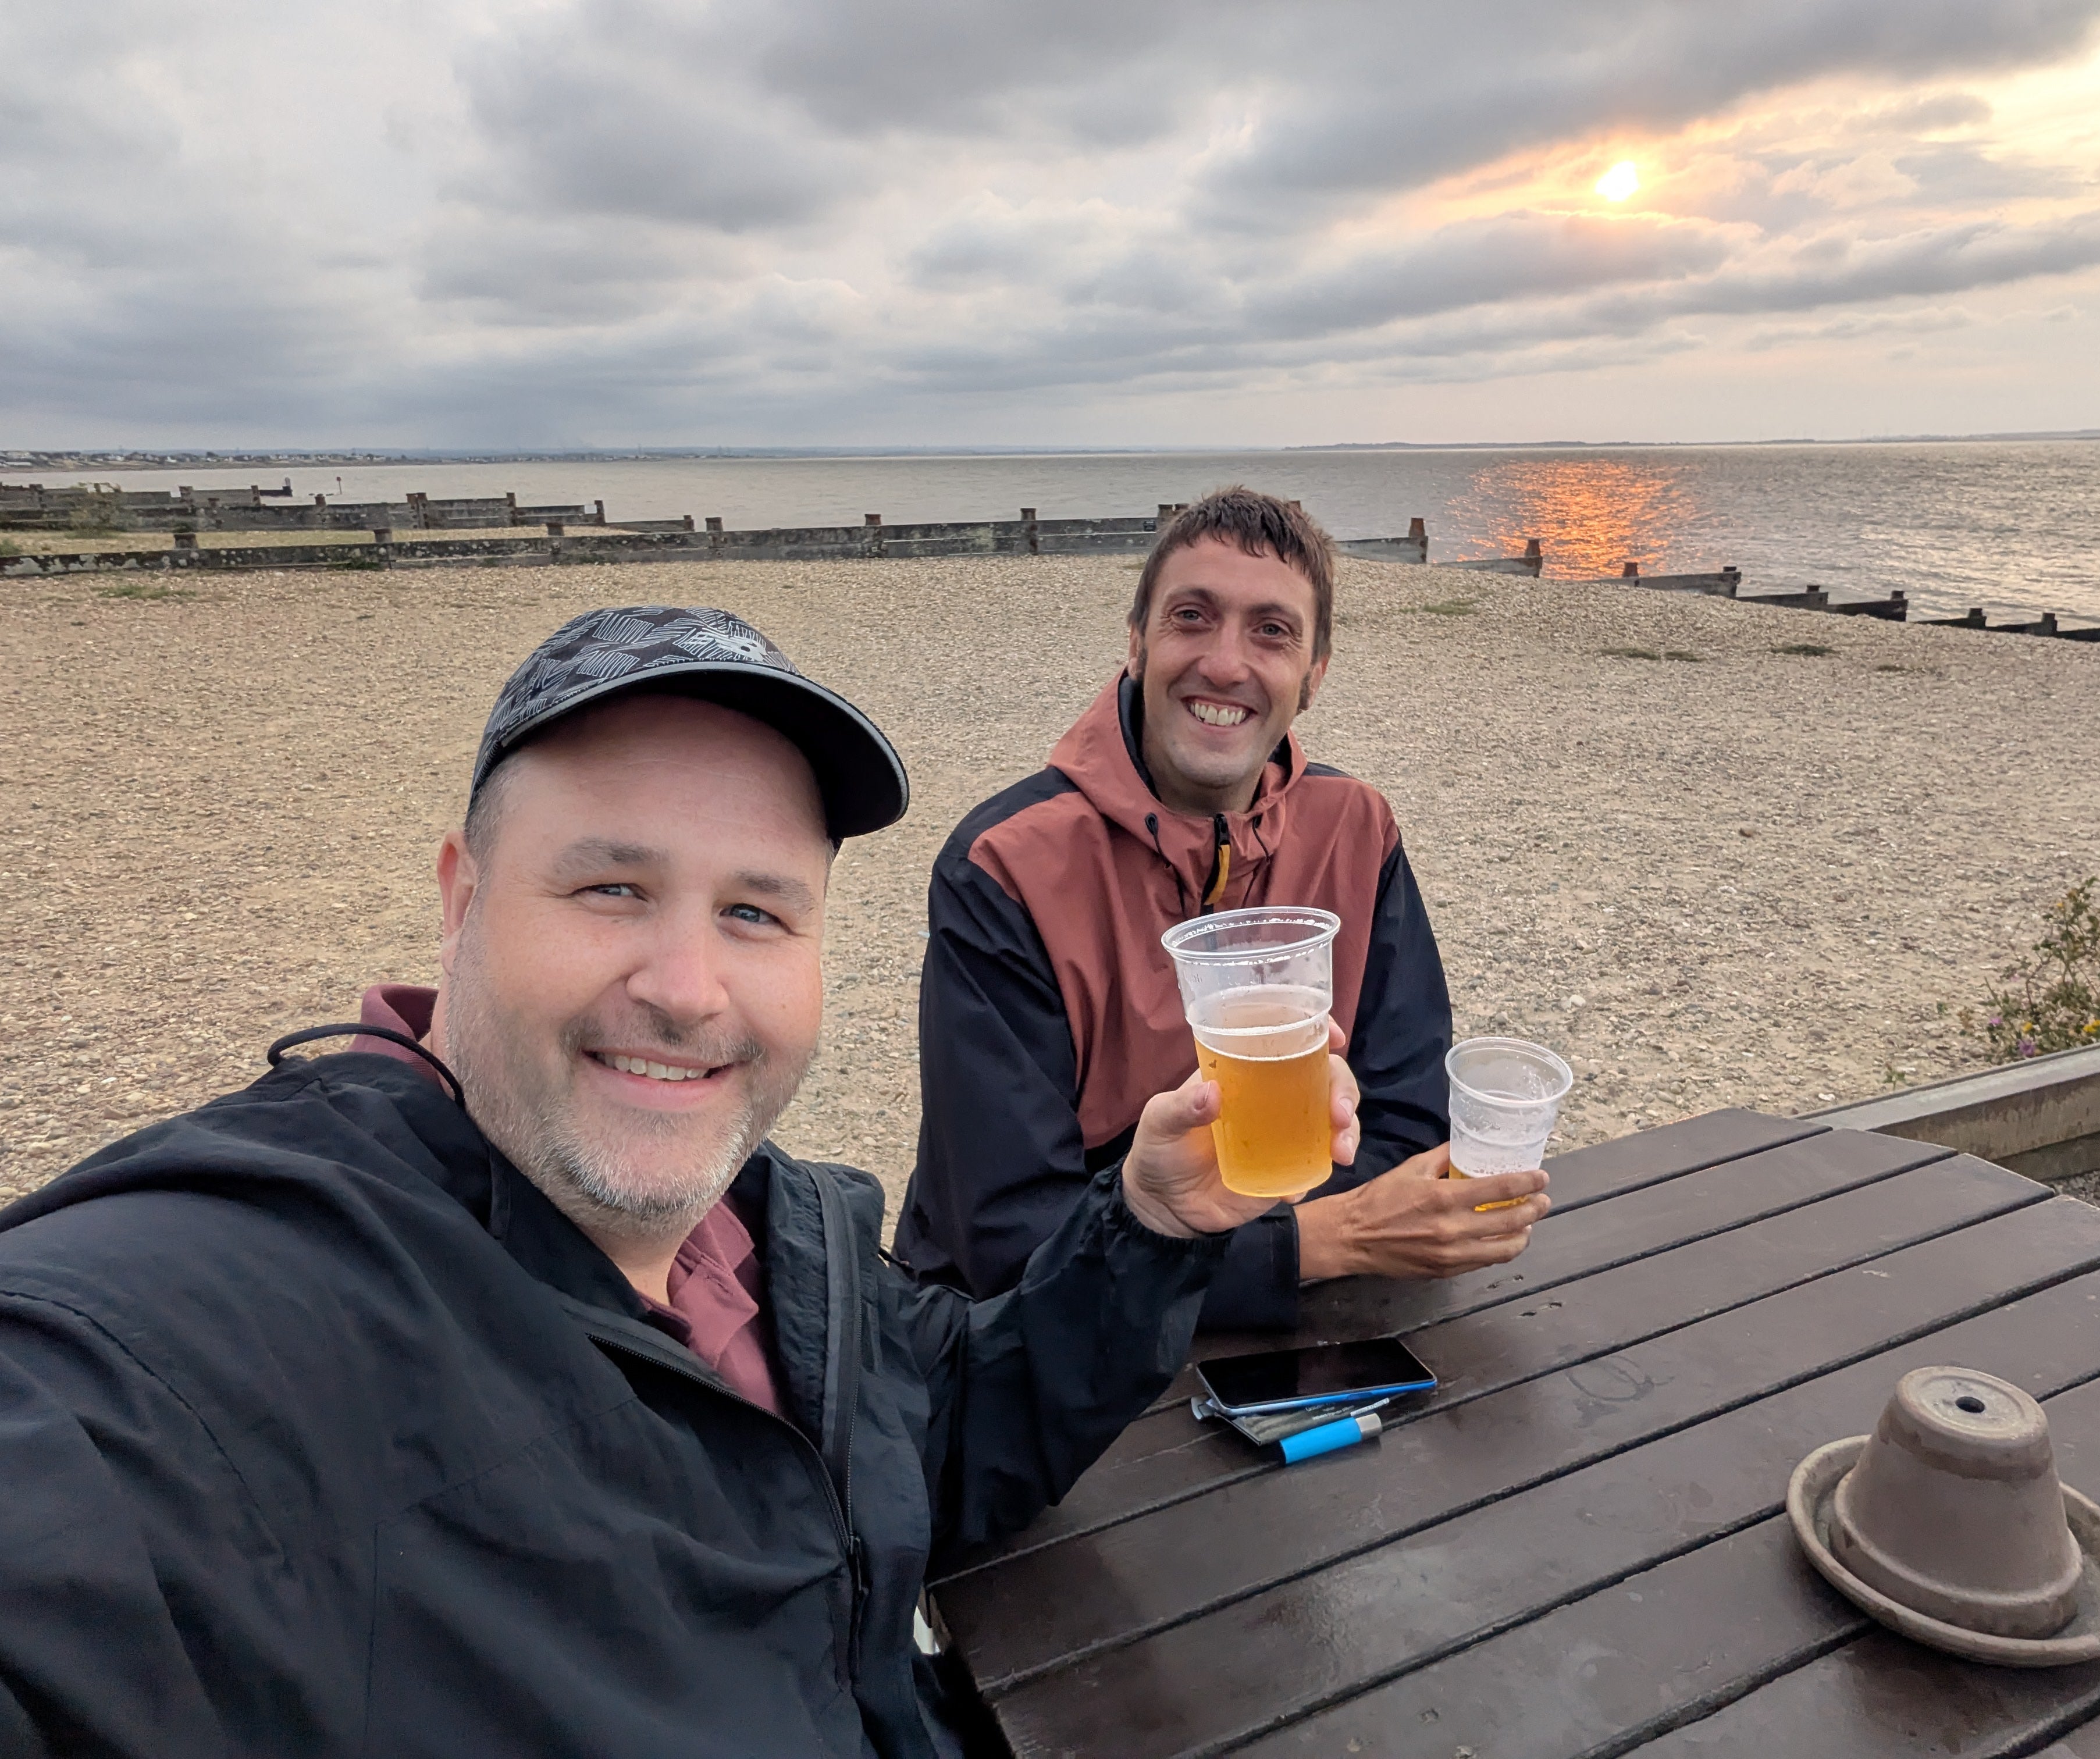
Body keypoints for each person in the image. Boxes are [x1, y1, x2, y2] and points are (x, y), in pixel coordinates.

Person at [0, 605, 1362, 1758]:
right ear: (461, 897)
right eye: (609, 888)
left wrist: (1144, 1224)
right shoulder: (232, 1317)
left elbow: (943, 1434)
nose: (686, 989)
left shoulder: (781, 1236)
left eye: (755, 913)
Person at [895, 488, 1549, 1332]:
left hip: (1297, 1310)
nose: (1226, 665)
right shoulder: (1008, 865)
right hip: (1029, 1342)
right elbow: (1009, 1240)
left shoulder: (1357, 829)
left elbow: (1409, 1118)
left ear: (1314, 677)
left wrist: (1315, 1242)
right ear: (1137, 643)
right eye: (1192, 618)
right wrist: (1322, 1240)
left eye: (1271, 632)